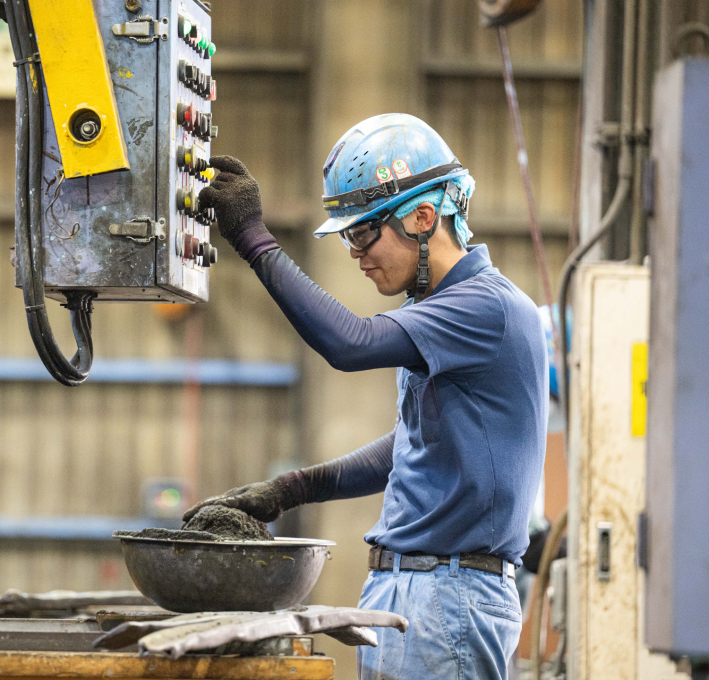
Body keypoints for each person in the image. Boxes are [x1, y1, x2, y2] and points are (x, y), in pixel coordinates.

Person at [188, 113, 548, 680]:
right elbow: (409, 448)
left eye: (362, 233)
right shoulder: (438, 315)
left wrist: (252, 238)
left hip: (445, 598)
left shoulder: (486, 308)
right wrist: (287, 491)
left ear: (424, 217)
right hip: (417, 592)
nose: (356, 253)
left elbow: (349, 343)